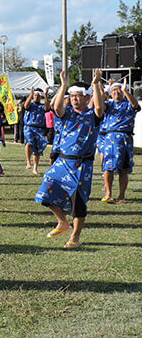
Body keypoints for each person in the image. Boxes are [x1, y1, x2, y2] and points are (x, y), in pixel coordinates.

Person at [35, 69, 103, 249]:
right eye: (72, 96)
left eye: (78, 96)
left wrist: (95, 84)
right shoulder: (68, 114)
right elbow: (56, 108)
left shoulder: (92, 117)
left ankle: (75, 236)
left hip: (81, 165)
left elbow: (99, 108)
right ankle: (63, 223)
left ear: (87, 98)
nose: (74, 99)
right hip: (62, 163)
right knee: (45, 195)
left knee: (78, 202)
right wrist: (63, 85)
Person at [100, 78, 139, 204]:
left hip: (125, 139)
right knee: (108, 167)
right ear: (110, 93)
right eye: (114, 90)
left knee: (123, 169)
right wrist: (100, 88)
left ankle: (121, 196)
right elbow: (100, 105)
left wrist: (126, 91)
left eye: (118, 90)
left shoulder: (128, 104)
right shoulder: (109, 105)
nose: (116, 92)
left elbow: (136, 105)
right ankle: (109, 193)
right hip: (110, 138)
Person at [23, 87, 50, 174]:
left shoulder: (42, 106)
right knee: (29, 142)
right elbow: (25, 106)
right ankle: (28, 161)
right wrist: (30, 94)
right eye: (35, 95)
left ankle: (35, 167)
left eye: (38, 95)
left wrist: (46, 95)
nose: (36, 97)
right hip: (29, 127)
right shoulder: (31, 105)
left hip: (39, 129)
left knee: (37, 149)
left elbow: (47, 108)